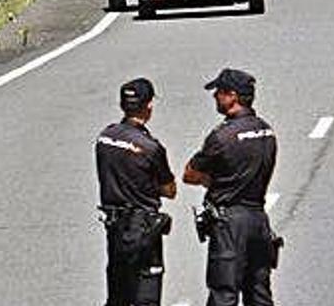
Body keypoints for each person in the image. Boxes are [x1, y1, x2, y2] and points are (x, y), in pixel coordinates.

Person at [183, 69, 279, 306]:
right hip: (258, 219)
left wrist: (211, 180)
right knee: (259, 293)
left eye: (219, 92)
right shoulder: (266, 130)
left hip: (229, 224)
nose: (215, 96)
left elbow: (190, 174)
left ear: (232, 96)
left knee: (224, 293)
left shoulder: (222, 136)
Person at [96, 78, 177, 306]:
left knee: (117, 295)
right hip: (144, 229)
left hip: (115, 227)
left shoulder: (105, 138)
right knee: (146, 294)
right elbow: (169, 190)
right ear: (149, 106)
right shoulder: (150, 147)